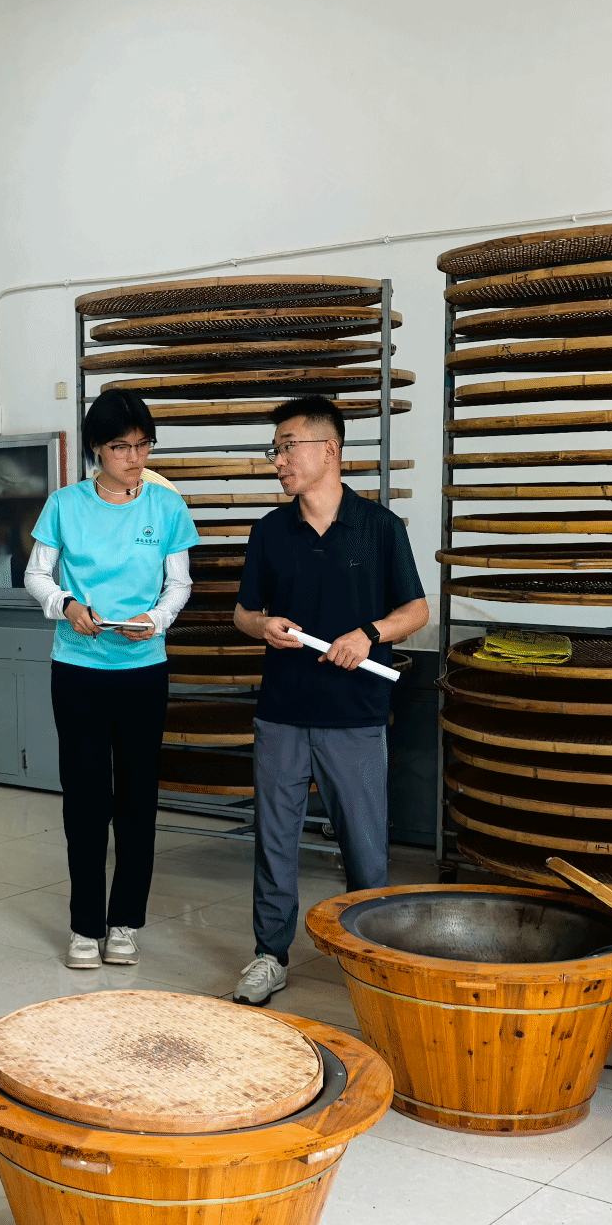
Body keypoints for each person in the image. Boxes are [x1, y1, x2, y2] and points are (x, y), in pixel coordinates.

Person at [229, 395, 428, 1006]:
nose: (279, 460)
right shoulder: (269, 531)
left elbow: (417, 610)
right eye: (275, 450)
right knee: (274, 841)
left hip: (356, 715)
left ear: (330, 450)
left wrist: (368, 634)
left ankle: (373, 956)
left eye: (288, 447)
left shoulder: (381, 528)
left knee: (365, 847)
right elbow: (243, 613)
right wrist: (262, 626)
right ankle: (269, 955)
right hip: (282, 712)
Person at [23, 389, 197, 968]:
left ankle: (125, 922)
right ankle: (84, 926)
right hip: (78, 671)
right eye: (122, 447)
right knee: (85, 799)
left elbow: (179, 583)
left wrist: (156, 619)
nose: (135, 458)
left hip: (143, 671)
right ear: (97, 448)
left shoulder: (166, 506)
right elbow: (37, 575)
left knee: (138, 799)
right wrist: (66, 605)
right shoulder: (64, 504)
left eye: (144, 446)